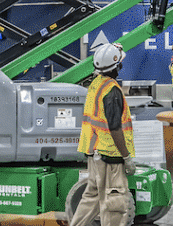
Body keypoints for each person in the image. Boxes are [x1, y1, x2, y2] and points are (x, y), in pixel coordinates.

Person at [71, 41, 134, 226]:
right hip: (110, 156)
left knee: (92, 198)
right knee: (114, 203)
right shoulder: (112, 91)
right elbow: (115, 128)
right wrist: (127, 157)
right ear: (117, 66)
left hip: (94, 153)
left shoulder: (96, 84)